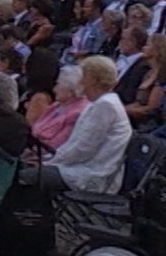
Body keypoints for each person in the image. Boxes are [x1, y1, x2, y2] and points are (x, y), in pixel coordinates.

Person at [23, 56, 132, 194]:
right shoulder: (97, 103)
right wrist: (48, 158)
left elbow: (83, 149)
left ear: (93, 79)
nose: (81, 81)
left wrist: (48, 163)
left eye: (84, 76)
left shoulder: (105, 105)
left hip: (92, 174)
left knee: (27, 176)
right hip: (78, 165)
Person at [29, 65, 87, 151]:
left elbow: (54, 146)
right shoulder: (57, 105)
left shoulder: (76, 114)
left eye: (58, 84)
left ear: (70, 89)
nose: (54, 89)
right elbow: (35, 129)